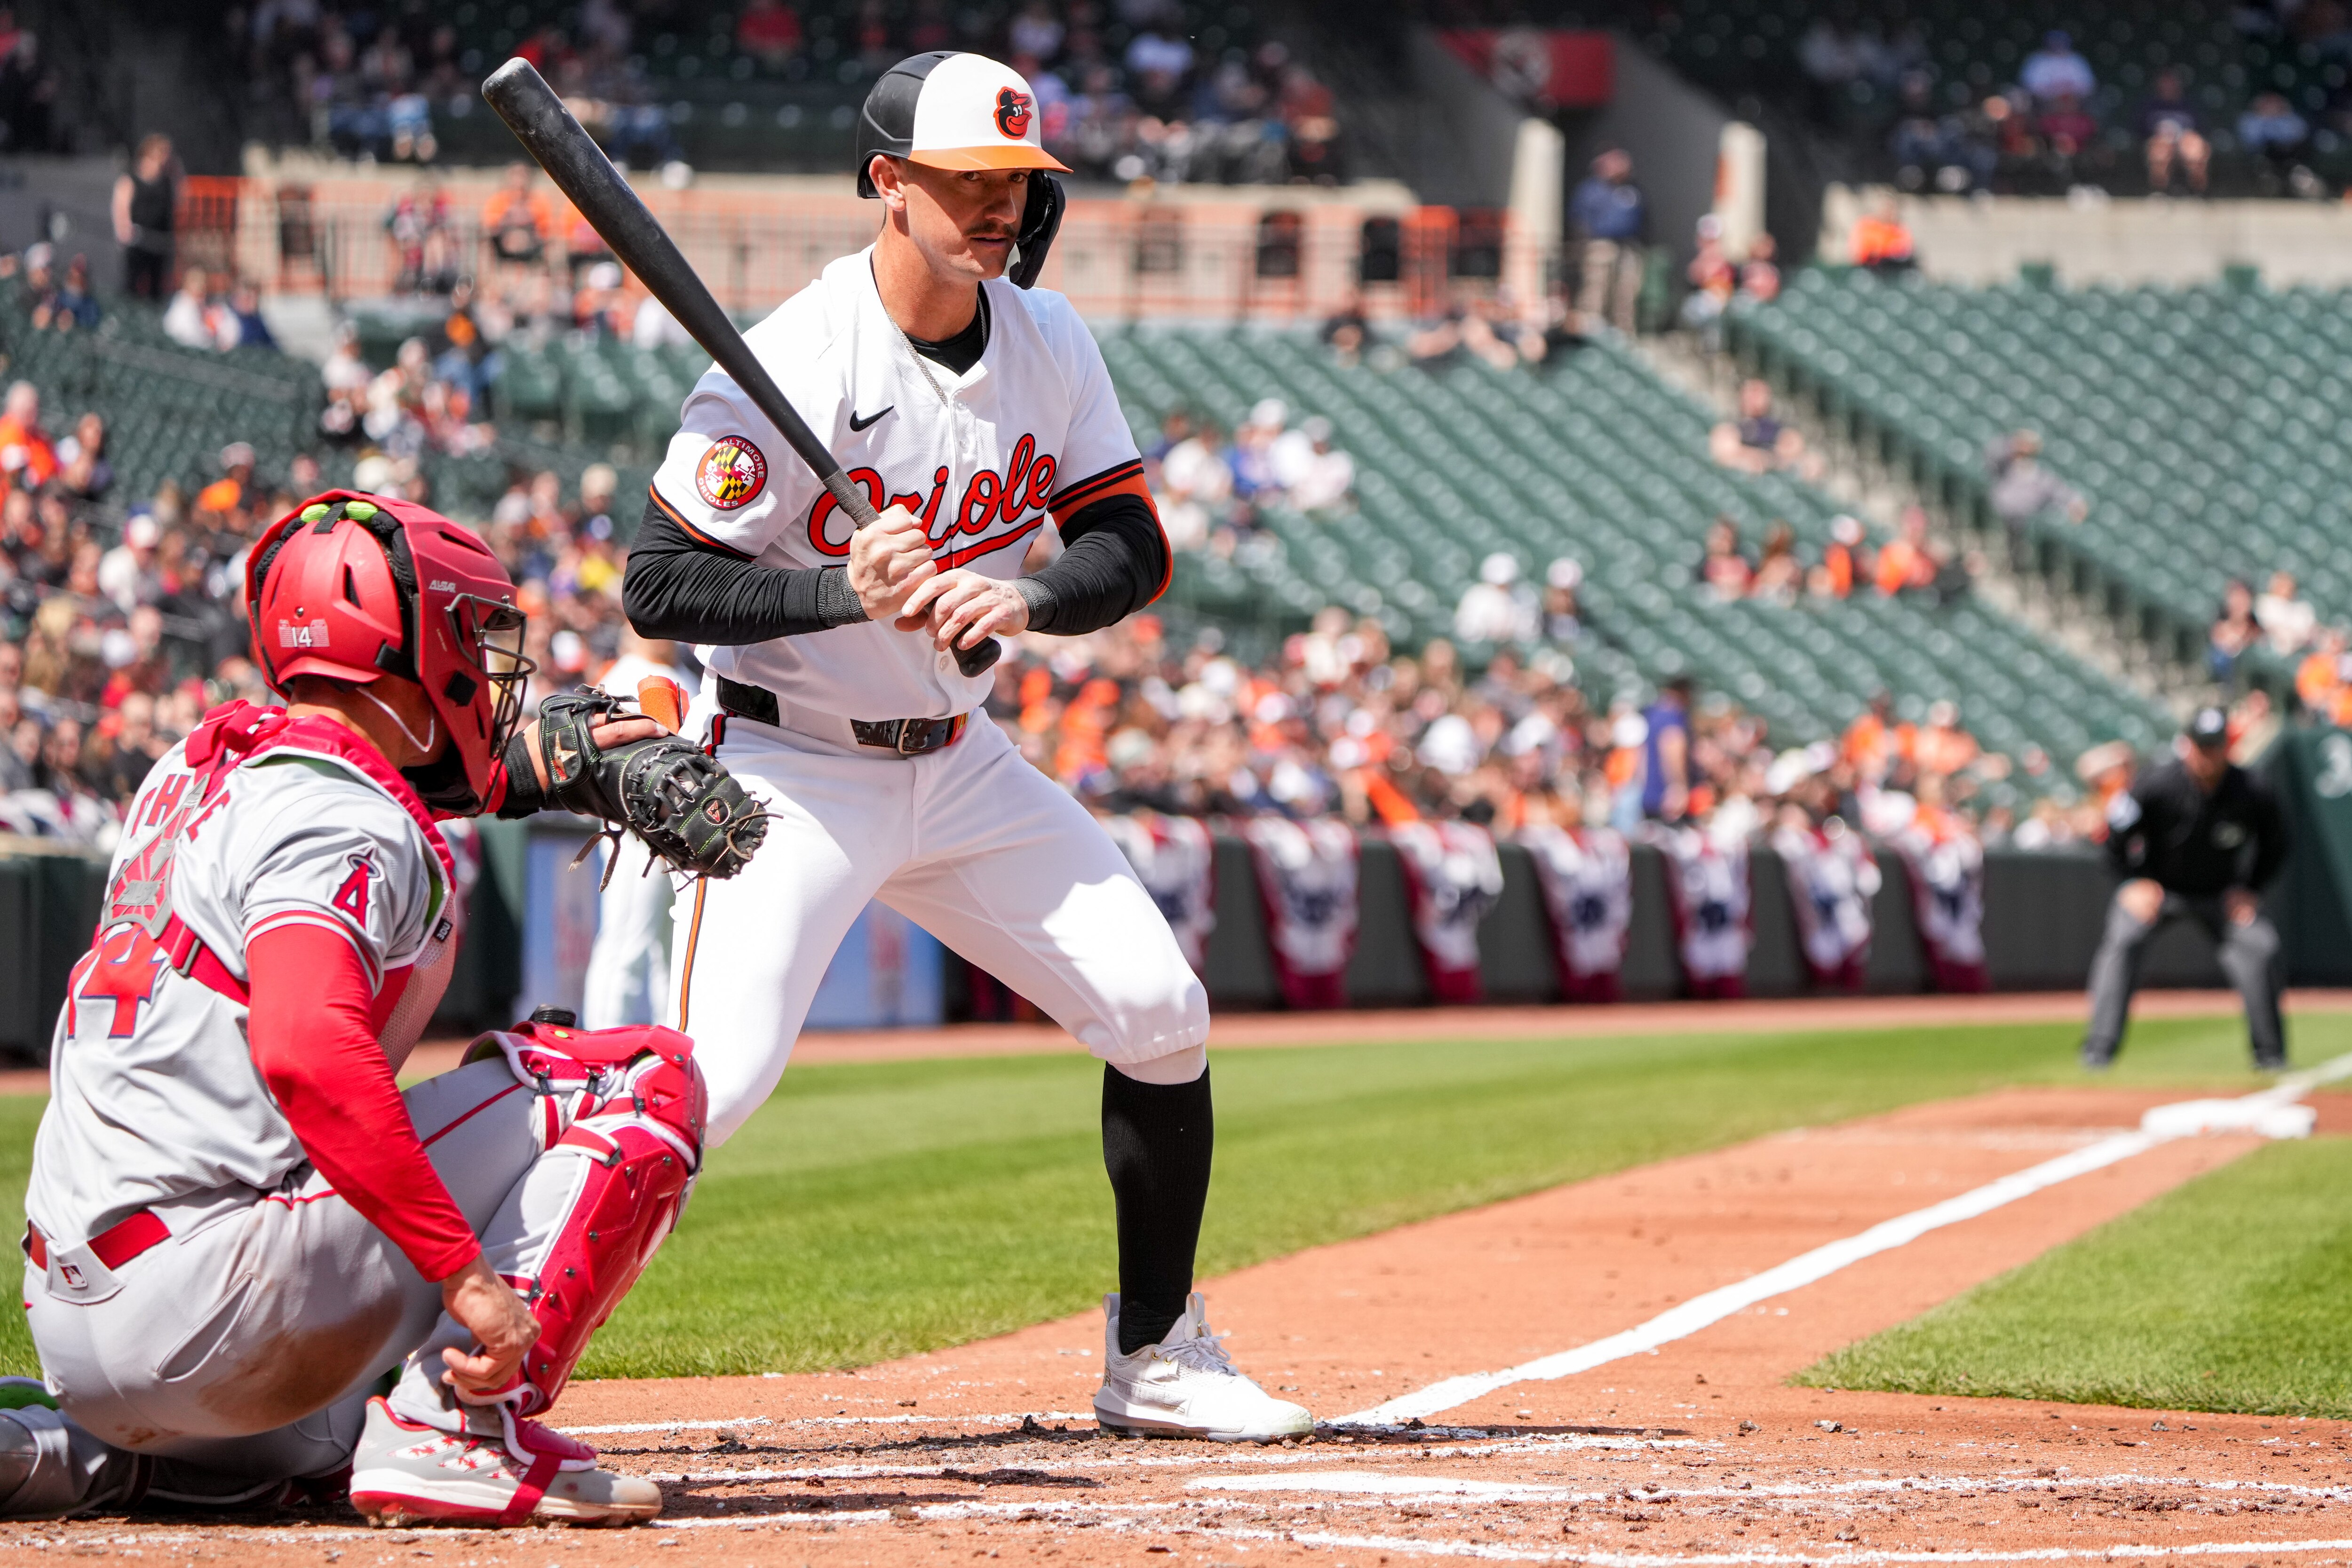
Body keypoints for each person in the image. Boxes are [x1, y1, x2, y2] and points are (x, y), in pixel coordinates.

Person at [622, 50, 1310, 1443]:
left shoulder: (1048, 339)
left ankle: (1157, 1352)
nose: (997, 204)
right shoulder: (794, 355)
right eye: (965, 180)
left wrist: (1029, 595)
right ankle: (444, 1339)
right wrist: (838, 588)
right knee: (698, 1091)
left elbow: (1129, 543)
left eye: (1014, 181)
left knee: (1160, 1012)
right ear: (886, 182)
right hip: (779, 763)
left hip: (958, 759)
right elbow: (657, 585)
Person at [3, 491, 763, 1524]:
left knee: (335, 1431)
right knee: (643, 1075)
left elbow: (354, 774)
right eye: (474, 639)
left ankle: (67, 1450)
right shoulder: (341, 816)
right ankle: (460, 1429)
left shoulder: (196, 764)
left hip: (83, 1326)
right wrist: (464, 1276)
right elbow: (310, 1048)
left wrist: (533, 771)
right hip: (208, 1301)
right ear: (415, 650)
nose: (493, 675)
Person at [2082, 706, 2288, 1071]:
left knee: (2261, 945)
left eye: (2216, 746)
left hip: (2220, 894)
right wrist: (2132, 882)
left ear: (2228, 747)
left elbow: (2278, 843)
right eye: (2202, 746)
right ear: (2188, 746)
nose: (2209, 755)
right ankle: (2099, 1050)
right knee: (2123, 939)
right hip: (2159, 891)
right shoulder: (2156, 783)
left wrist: (2250, 889)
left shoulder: (2251, 788)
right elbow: (2113, 837)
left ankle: (2270, 1055)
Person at [1569, 149, 1644, 336]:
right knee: (1596, 291)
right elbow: (1578, 219)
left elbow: (1641, 218)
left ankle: (1623, 336)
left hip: (1627, 247)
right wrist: (1585, 242)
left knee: (1625, 295)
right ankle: (1590, 335)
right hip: (1600, 246)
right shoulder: (1591, 190)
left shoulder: (1630, 190)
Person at [111, 134, 175, 301]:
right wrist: (124, 231)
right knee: (132, 287)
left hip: (159, 243)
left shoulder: (167, 182)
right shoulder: (131, 180)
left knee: (157, 291)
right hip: (138, 242)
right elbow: (121, 208)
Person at [2141, 69, 2209, 196]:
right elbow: (2140, 132)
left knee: (2194, 148)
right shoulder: (2149, 106)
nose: (2168, 87)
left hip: (2185, 143)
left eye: (2171, 83)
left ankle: (2198, 192)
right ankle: (2160, 192)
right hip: (2159, 143)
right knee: (2160, 149)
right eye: (2164, 84)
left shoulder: (2190, 106)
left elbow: (2202, 131)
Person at [1641, 675, 1693, 822]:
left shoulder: (1653, 714)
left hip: (1650, 796)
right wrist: (1678, 787)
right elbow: (1672, 751)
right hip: (1668, 800)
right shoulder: (1672, 716)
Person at [2019, 30, 2095, 106]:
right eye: (2055, 42)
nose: (2058, 45)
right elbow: (2030, 85)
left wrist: (2067, 93)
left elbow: (2088, 85)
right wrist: (2053, 93)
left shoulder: (2077, 59)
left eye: (2061, 42)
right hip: (2044, 103)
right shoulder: (2037, 60)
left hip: (2075, 102)